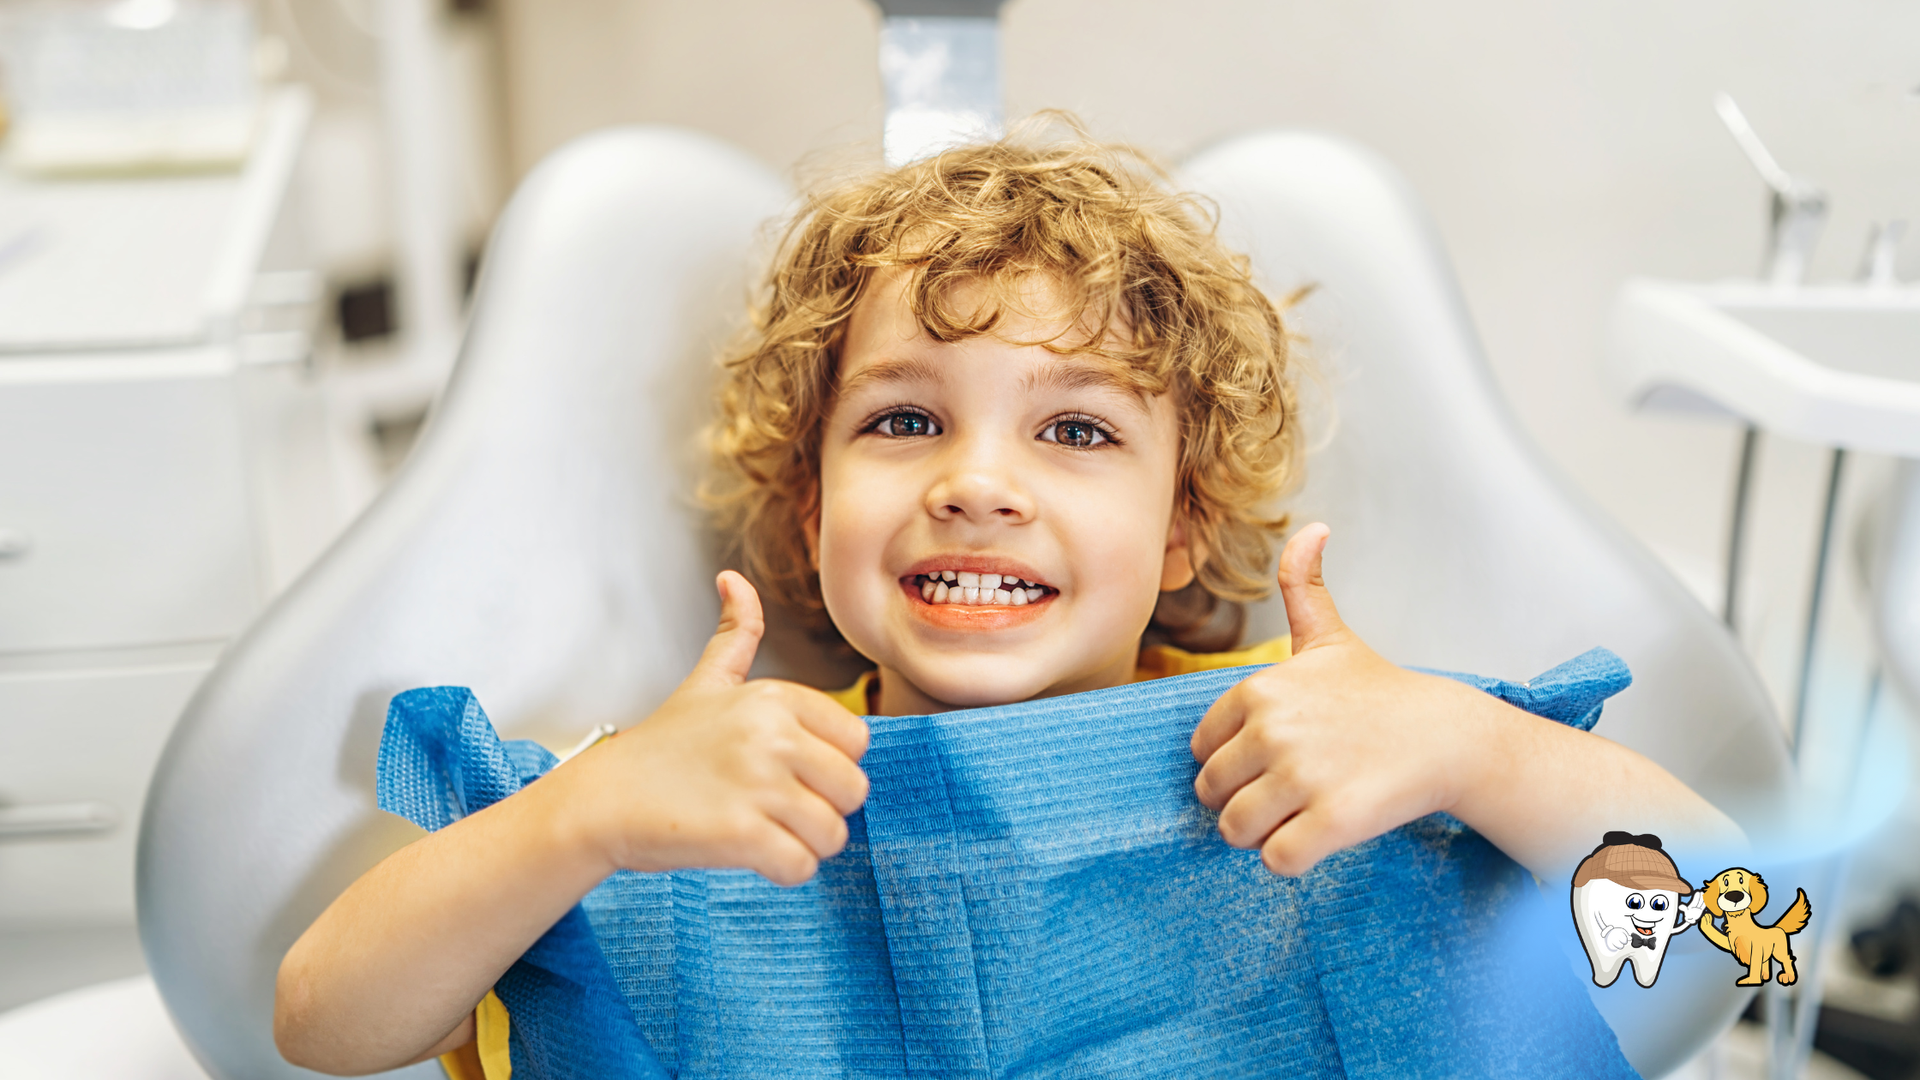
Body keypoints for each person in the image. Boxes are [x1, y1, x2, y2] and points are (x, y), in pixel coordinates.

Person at [272, 127, 1743, 1076]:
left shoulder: (1349, 771)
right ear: (810, 512)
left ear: (1184, 532)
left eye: (1077, 431)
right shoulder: (676, 801)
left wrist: (1476, 752)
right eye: (904, 422)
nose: (978, 483)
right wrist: (578, 816)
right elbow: (321, 1024)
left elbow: (1752, 933)